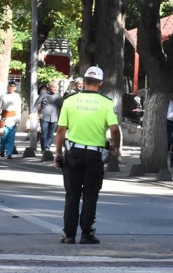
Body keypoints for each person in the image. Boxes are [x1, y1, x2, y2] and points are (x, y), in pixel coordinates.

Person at [54, 66, 120, 244]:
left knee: (72, 195)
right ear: (100, 83)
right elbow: (114, 129)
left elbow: (61, 130)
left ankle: (68, 235)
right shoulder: (106, 103)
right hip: (94, 156)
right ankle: (87, 234)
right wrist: (116, 147)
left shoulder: (70, 100)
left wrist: (58, 153)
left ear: (83, 82)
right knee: (90, 195)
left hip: (73, 154)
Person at [33, 81, 63, 153]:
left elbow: (62, 107)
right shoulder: (44, 94)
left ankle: (47, 148)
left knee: (50, 135)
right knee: (43, 134)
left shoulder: (59, 96)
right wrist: (32, 112)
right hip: (44, 117)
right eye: (53, 87)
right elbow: (36, 104)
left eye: (56, 87)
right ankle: (43, 148)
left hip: (54, 118)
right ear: (49, 87)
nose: (55, 89)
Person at [0, 82, 22, 159]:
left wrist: (18, 119)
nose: (11, 88)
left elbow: (19, 109)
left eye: (13, 86)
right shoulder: (3, 96)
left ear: (15, 88)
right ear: (7, 87)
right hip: (4, 119)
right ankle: (2, 150)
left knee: (11, 137)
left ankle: (9, 153)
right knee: (3, 136)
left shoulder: (17, 97)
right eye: (10, 86)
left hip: (13, 119)